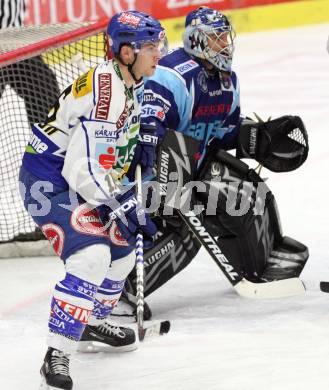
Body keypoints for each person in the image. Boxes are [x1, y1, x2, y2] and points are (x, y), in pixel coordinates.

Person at [115, 6, 309, 318]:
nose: (225, 45)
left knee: (248, 193)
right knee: (186, 233)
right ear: (198, 41)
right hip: (146, 179)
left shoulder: (227, 81)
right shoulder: (171, 76)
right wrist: (163, 174)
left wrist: (254, 138)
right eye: (217, 39)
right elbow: (148, 130)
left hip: (193, 170)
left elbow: (222, 134)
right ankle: (121, 293)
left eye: (225, 38)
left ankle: (260, 263)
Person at [19, 10, 167, 390]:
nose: (158, 53)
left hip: (80, 178)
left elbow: (108, 147)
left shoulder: (131, 80)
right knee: (92, 257)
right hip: (48, 181)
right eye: (150, 46)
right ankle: (57, 352)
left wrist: (139, 140)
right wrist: (122, 204)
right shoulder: (107, 92)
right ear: (127, 52)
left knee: (120, 254)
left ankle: (86, 325)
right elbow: (80, 170)